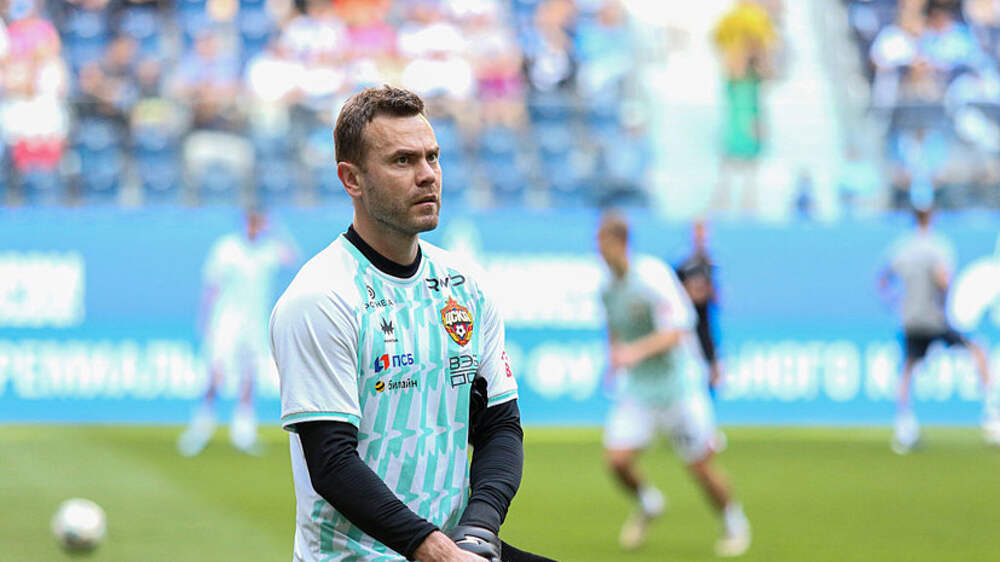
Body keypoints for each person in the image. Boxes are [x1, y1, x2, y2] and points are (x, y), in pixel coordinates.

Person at [269, 86, 535, 562]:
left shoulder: (465, 285)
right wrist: (437, 551)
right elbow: (332, 463)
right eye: (403, 161)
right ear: (352, 179)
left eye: (433, 157)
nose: (427, 175)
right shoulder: (322, 296)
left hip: (452, 547)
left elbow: (500, 426)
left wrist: (477, 531)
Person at [596, 213, 750, 557]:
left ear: (621, 243)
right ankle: (649, 502)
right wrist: (613, 360)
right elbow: (614, 327)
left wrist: (634, 352)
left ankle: (733, 521)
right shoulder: (607, 288)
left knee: (700, 467)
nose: (600, 252)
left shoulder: (652, 277)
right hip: (640, 389)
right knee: (617, 460)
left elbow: (679, 330)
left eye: (603, 244)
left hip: (678, 387)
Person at [178, 207, 298, 456]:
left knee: (249, 374)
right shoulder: (227, 249)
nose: (255, 228)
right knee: (216, 372)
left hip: (254, 322)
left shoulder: (267, 250)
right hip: (226, 320)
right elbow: (212, 286)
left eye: (259, 223)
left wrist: (277, 229)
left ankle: (243, 430)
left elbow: (291, 258)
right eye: (252, 223)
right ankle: (202, 425)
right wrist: (205, 319)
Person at [879, 206, 998, 454]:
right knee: (978, 351)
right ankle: (991, 415)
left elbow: (883, 279)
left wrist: (895, 302)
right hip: (935, 318)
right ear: (931, 217)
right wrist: (943, 302)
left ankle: (903, 425)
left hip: (911, 318)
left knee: (908, 368)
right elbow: (943, 279)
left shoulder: (903, 247)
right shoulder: (937, 247)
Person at [674, 220, 722, 397]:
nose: (701, 237)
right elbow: (678, 297)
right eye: (698, 233)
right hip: (687, 334)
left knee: (709, 384)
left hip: (705, 332)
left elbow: (716, 300)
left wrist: (707, 290)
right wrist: (694, 291)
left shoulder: (711, 265)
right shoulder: (683, 266)